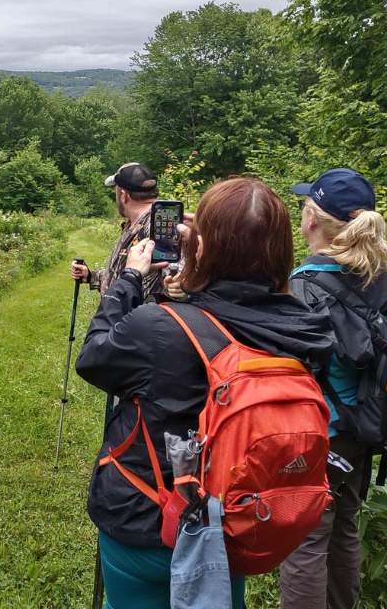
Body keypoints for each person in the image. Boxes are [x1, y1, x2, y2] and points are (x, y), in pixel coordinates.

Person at [75, 177, 334, 609]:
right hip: (232, 519)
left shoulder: (159, 326)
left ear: (203, 246)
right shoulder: (305, 329)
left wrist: (130, 281)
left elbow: (94, 357)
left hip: (145, 519)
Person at [279, 167, 387, 609]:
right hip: (365, 428)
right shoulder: (384, 276)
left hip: (317, 432)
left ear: (312, 219)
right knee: (343, 528)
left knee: (305, 540)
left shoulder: (304, 283)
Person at [70, 162, 163, 301]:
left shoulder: (157, 226)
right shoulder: (134, 226)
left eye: (116, 190)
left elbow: (174, 279)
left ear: (124, 196)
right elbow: (124, 276)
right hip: (120, 318)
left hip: (137, 320)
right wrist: (91, 276)